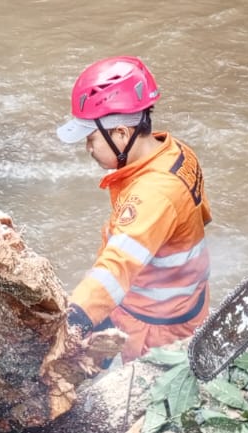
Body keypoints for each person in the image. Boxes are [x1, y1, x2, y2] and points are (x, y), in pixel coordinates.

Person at [56, 56, 213, 361]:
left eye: (91, 139)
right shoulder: (175, 152)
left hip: (155, 327)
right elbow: (203, 215)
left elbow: (117, 269)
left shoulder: (153, 194)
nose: (88, 150)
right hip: (187, 301)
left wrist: (73, 319)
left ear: (122, 134)